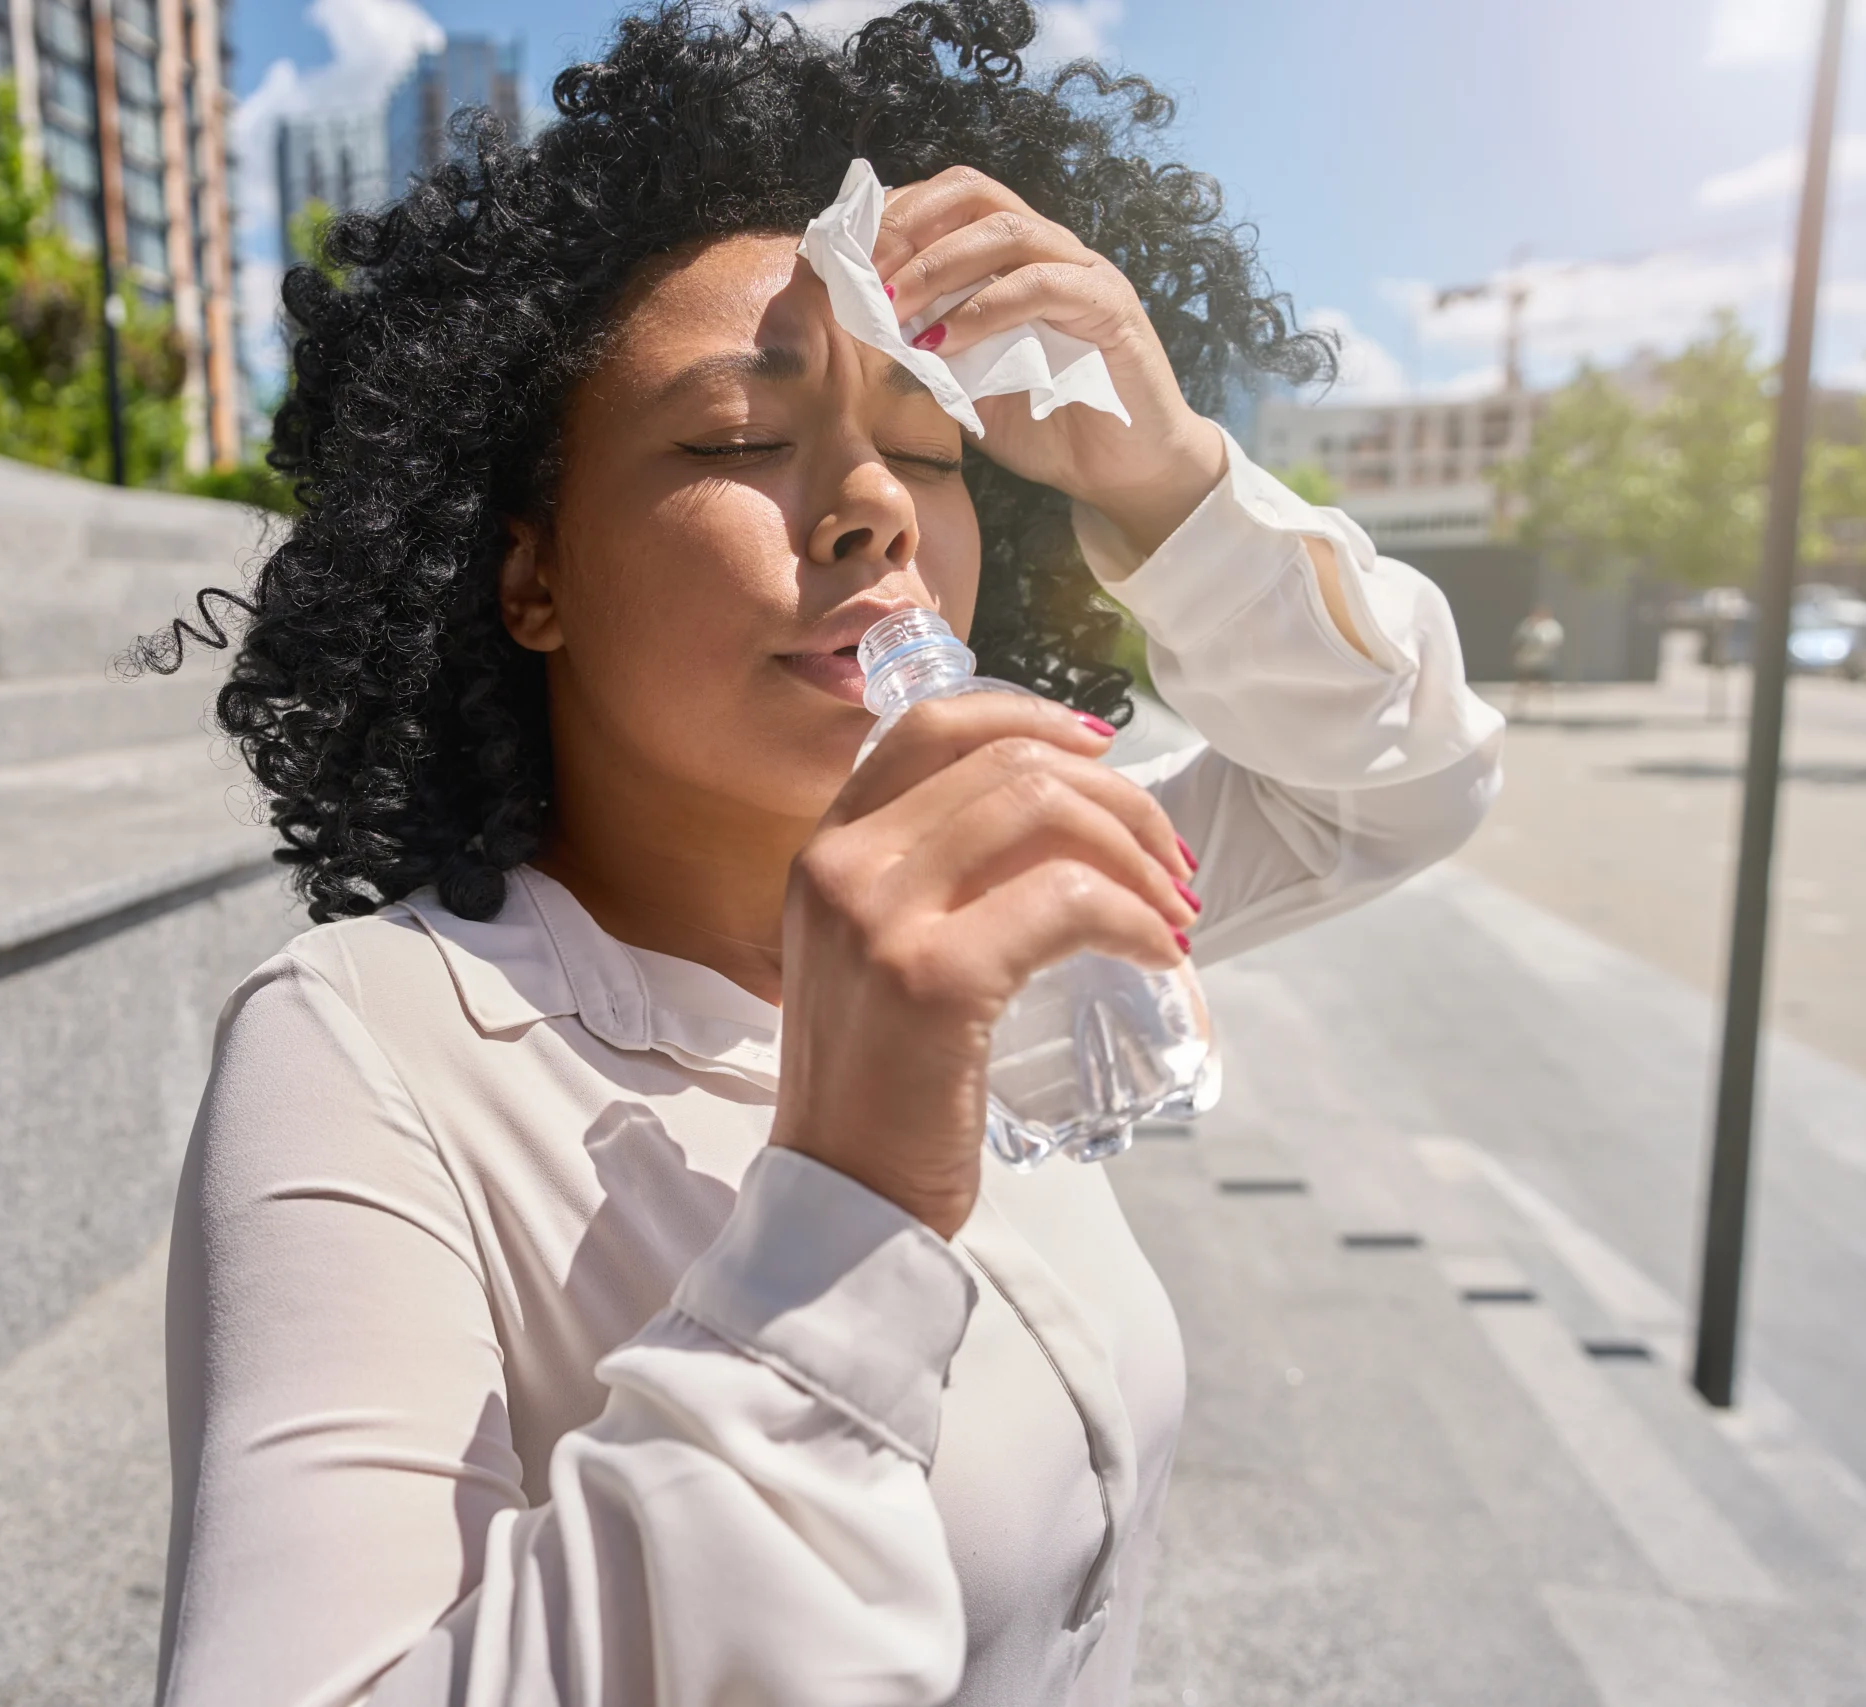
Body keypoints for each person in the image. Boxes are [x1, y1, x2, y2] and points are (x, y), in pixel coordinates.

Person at [142, 5, 1502, 1702]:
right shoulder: (374, 1046)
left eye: (929, 453)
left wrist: (1166, 481)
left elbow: (1398, 784)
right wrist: (846, 1189)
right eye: (733, 440)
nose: (875, 508)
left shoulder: (1002, 888)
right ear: (531, 577)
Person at [1511, 603, 1565, 720]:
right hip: (1526, 661)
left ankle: (1548, 708)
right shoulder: (1526, 625)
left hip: (1543, 661)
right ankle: (1520, 707)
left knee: (1545, 684)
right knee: (1523, 684)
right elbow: (1518, 640)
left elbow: (1554, 642)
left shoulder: (1551, 627)